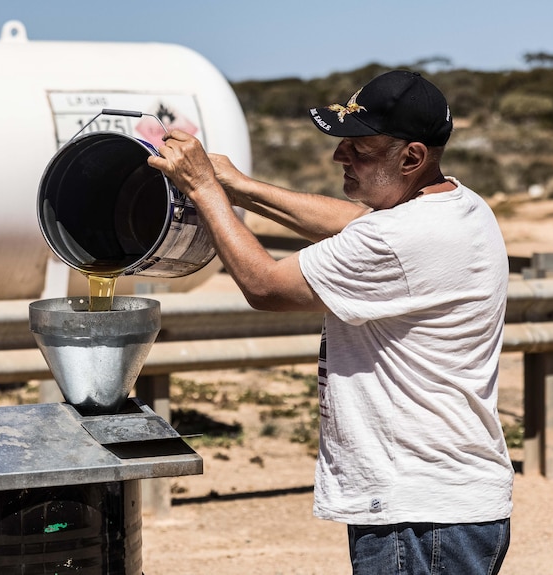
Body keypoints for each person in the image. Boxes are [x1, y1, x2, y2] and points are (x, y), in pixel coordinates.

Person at [148, 69, 513, 575]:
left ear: (411, 157)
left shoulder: (399, 240)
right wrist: (238, 186)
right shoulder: (458, 206)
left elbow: (266, 286)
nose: (340, 155)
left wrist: (206, 191)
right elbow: (351, 222)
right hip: (445, 504)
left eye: (360, 147)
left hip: (416, 515)